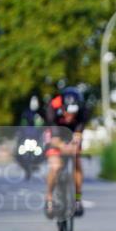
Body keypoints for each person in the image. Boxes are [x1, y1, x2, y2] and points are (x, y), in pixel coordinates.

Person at [44, 87, 87, 217]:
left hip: (72, 133)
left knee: (77, 162)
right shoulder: (52, 109)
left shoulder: (83, 112)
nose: (70, 116)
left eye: (73, 113)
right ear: (62, 108)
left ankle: (78, 198)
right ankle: (49, 198)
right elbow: (54, 138)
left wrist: (74, 145)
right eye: (67, 112)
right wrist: (62, 147)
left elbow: (78, 134)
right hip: (55, 133)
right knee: (56, 166)